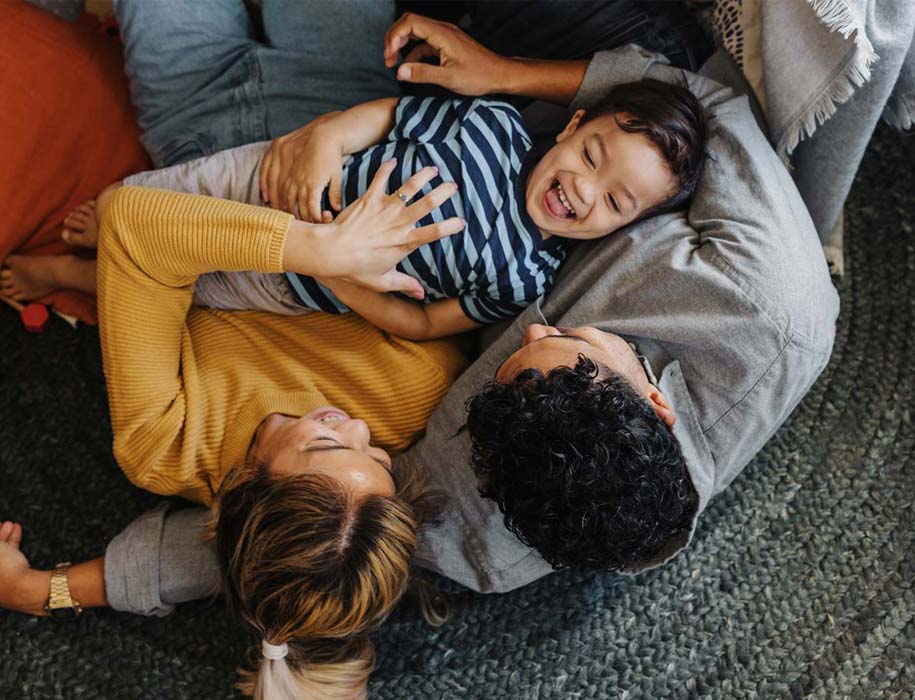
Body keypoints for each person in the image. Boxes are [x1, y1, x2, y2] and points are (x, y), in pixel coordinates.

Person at [1, 0, 836, 658]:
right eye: (559, 340)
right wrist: (503, 76)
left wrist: (56, 590)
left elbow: (299, 550)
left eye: (513, 354)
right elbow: (704, 97)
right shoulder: (768, 294)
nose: (533, 330)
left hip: (269, 207)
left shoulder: (481, 528)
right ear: (656, 400)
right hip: (485, 124)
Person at [3, 80, 707, 343]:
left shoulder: (524, 276)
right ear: (570, 125)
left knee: (179, 285)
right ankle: (122, 217)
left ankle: (70, 273)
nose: (583, 191)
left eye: (614, 201)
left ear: (624, 227)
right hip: (275, 185)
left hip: (287, 280)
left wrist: (340, 279)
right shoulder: (490, 126)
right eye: (590, 156)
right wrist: (327, 140)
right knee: (169, 196)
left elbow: (427, 323)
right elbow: (386, 117)